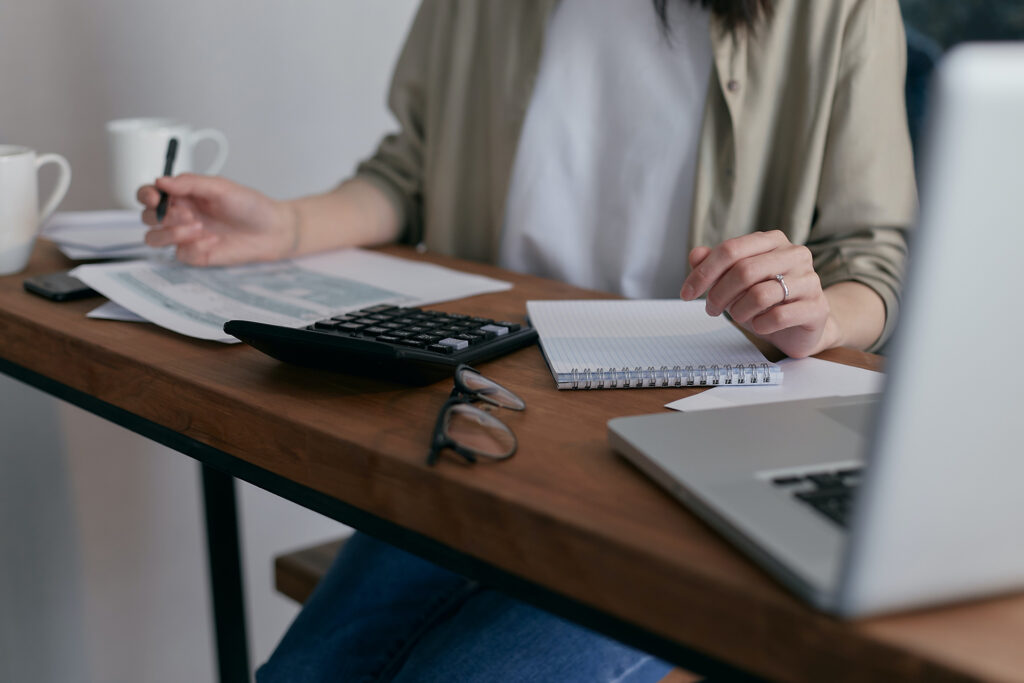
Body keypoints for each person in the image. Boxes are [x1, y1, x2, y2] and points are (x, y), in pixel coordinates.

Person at [138, 1, 916, 680]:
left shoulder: (837, 7)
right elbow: (411, 173)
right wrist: (289, 226)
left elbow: (872, 257)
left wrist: (817, 315)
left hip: (692, 450)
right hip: (484, 418)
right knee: (300, 673)